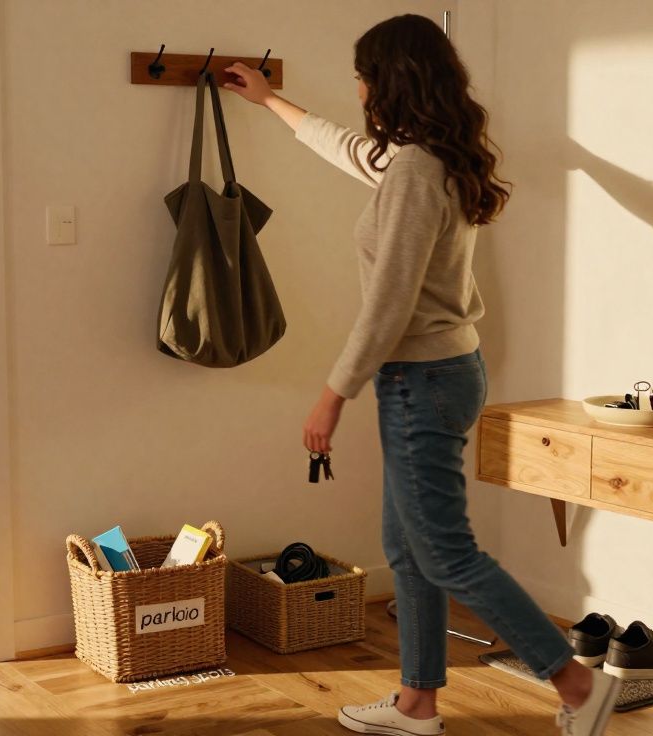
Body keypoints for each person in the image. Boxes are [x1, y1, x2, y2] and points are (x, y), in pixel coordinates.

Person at [221, 14, 620, 736]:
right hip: (442, 373)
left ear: (390, 81)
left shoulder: (414, 170)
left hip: (421, 380)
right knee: (409, 549)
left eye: (363, 77)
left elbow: (390, 303)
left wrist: (332, 394)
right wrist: (269, 100)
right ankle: (417, 702)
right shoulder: (427, 157)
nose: (359, 90)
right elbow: (347, 149)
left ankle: (577, 684)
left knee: (444, 552)